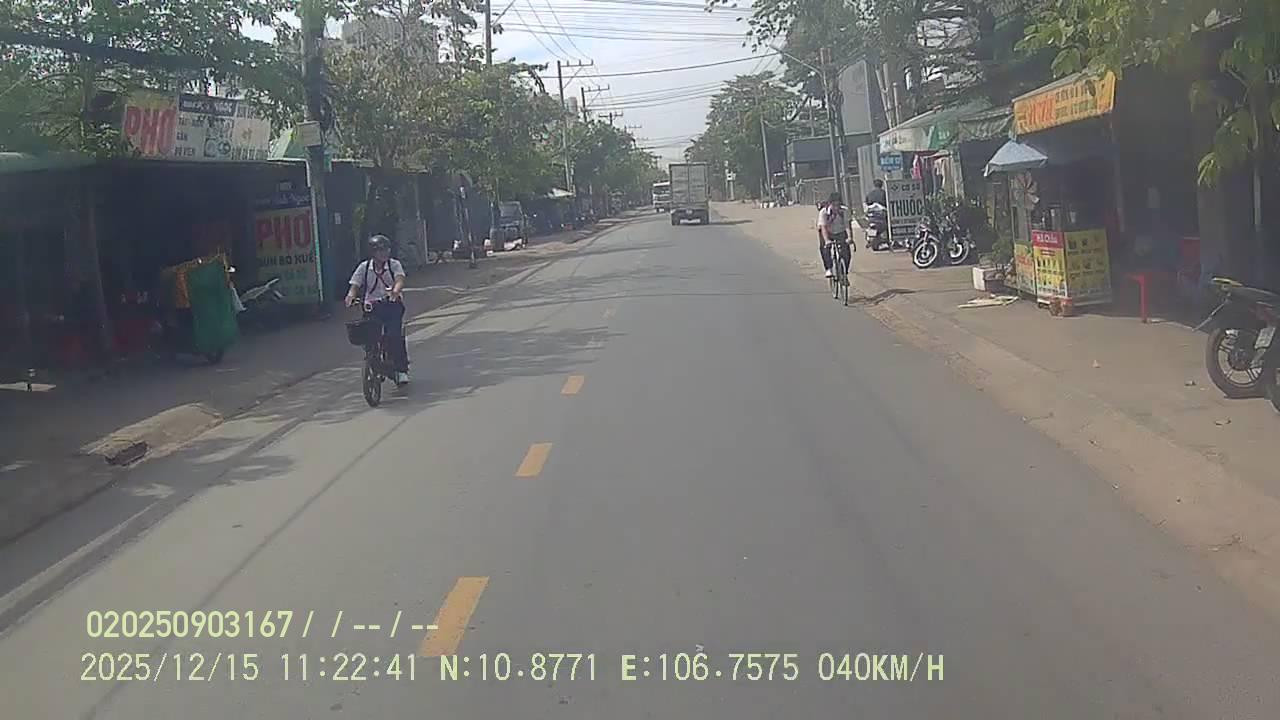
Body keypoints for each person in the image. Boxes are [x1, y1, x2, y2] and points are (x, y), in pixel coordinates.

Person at [346, 234, 410, 385]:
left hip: (392, 306)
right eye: (380, 250)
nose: (384, 253)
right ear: (372, 253)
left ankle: (401, 370)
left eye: (386, 249)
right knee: (369, 337)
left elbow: (400, 279)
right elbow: (355, 285)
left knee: (394, 336)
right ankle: (373, 361)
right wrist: (351, 296)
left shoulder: (394, 265)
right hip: (372, 307)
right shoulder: (364, 267)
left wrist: (395, 291)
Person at [818, 192, 853, 281]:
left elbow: (847, 225)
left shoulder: (844, 211)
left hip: (840, 232)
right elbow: (823, 227)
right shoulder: (824, 212)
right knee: (824, 249)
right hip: (827, 232)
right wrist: (827, 240)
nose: (836, 207)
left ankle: (844, 273)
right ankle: (828, 268)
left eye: (838, 205)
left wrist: (850, 237)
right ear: (830, 204)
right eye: (834, 205)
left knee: (846, 253)